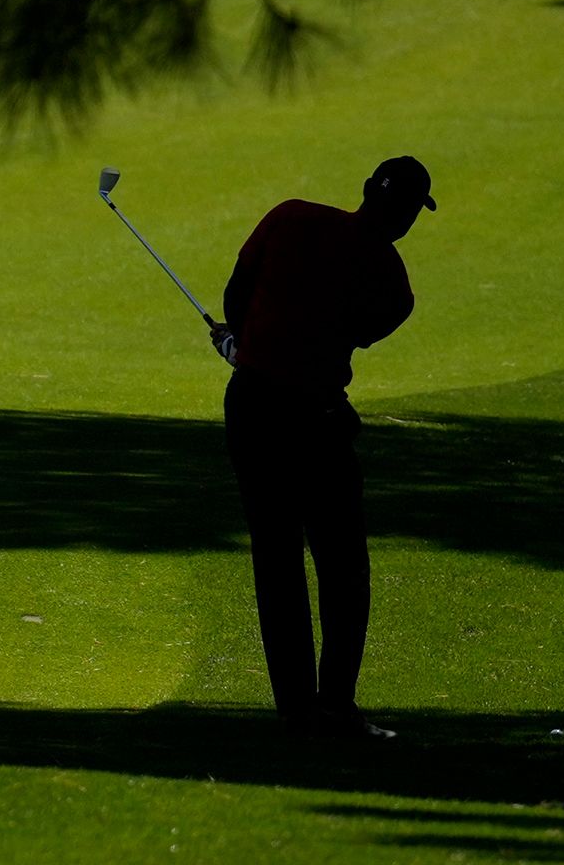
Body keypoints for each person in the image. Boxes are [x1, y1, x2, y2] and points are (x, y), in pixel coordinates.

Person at [206, 155, 436, 740]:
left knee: (277, 560)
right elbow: (353, 331)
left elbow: (237, 298)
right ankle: (334, 705)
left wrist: (241, 342)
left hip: (254, 405)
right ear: (410, 216)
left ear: (365, 190)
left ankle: (298, 712)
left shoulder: (290, 217)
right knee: (342, 564)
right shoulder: (394, 281)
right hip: (316, 418)